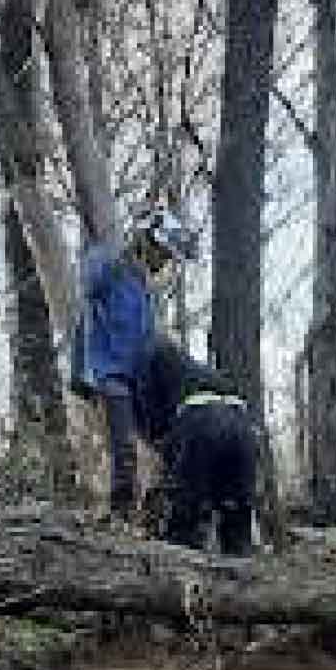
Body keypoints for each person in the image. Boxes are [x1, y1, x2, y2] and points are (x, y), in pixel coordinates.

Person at [73, 208, 197, 522]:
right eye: (162, 254)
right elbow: (88, 283)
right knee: (124, 448)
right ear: (146, 242)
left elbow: (145, 338)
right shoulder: (110, 269)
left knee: (163, 441)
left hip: (139, 380)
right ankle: (120, 514)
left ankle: (159, 511)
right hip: (109, 374)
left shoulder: (143, 289)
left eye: (168, 258)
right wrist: (106, 256)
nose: (163, 263)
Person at [131, 336, 260, 555]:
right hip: (243, 427)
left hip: (201, 423)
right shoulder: (203, 372)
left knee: (187, 510)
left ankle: (178, 571)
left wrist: (164, 454)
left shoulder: (154, 366)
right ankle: (243, 570)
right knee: (236, 512)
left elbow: (156, 424)